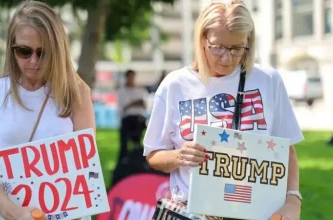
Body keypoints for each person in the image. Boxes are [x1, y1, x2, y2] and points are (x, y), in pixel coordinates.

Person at [143, 0, 304, 219]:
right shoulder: (175, 85)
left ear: (249, 41)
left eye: (237, 48)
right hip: (192, 211)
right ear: (202, 39)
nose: (227, 58)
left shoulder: (268, 81)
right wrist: (180, 156)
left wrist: (293, 200)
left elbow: (286, 149)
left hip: (254, 211)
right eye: (217, 47)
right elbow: (153, 154)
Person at [0, 1, 94, 220]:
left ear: (58, 50)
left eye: (43, 52)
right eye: (24, 51)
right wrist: (12, 212)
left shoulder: (77, 93)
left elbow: (86, 168)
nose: (34, 61)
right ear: (11, 48)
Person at [117, 69, 148, 162]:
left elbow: (143, 105)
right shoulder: (122, 91)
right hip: (127, 119)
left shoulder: (140, 90)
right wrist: (135, 102)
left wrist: (131, 103)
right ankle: (124, 158)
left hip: (139, 118)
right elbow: (123, 107)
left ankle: (138, 155)